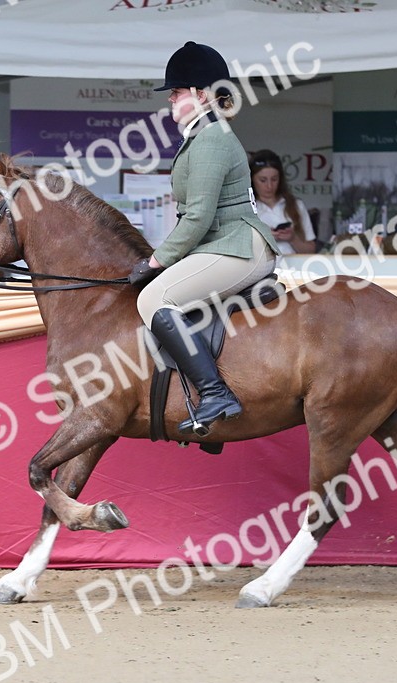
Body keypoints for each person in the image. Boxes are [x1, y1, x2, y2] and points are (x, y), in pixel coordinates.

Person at [129, 42, 278, 436]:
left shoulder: (211, 137)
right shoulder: (201, 136)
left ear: (201, 94)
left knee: (153, 298)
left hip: (239, 245)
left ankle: (216, 393)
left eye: (176, 92)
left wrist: (156, 261)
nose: (172, 100)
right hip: (222, 244)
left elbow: (197, 217)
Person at [248, 149, 317, 255]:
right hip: (261, 270)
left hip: (294, 269)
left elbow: (311, 250)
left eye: (274, 179)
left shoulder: (296, 205)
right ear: (252, 179)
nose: (269, 186)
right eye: (263, 180)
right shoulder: (246, 207)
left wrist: (293, 239)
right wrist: (263, 239)